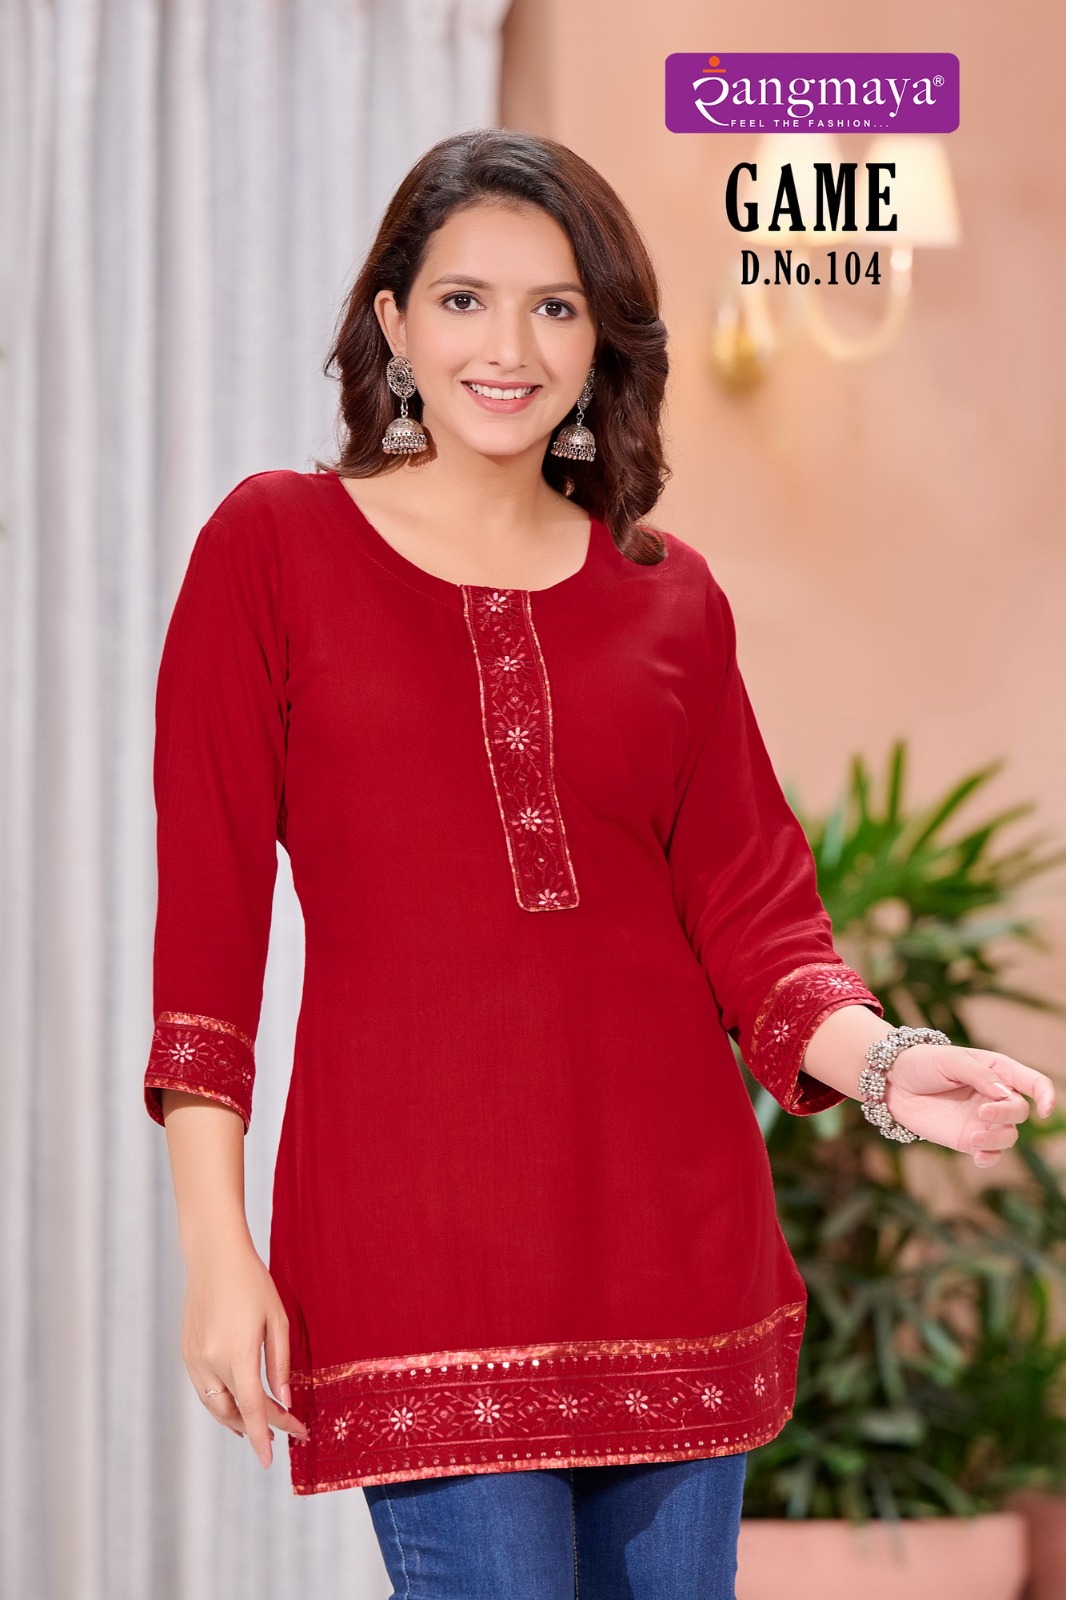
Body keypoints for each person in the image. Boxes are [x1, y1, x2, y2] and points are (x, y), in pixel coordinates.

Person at [142, 129, 1056, 1600]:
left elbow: (755, 917)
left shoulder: (668, 595)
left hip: (674, 1252)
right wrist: (215, 1248)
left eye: (554, 306)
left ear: (599, 342)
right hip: (421, 1253)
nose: (508, 348)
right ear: (392, 322)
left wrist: (892, 1068)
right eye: (464, 300)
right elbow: (208, 933)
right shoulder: (274, 546)